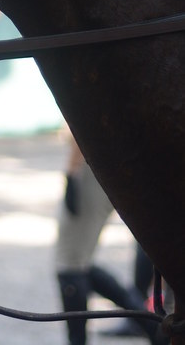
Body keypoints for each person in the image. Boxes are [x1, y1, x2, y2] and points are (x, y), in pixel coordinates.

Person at [55, 138, 159, 344]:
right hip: (99, 165)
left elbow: (83, 115)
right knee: (79, 263)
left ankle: (152, 326)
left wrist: (71, 171)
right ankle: (150, 325)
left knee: (70, 264)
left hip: (90, 166)